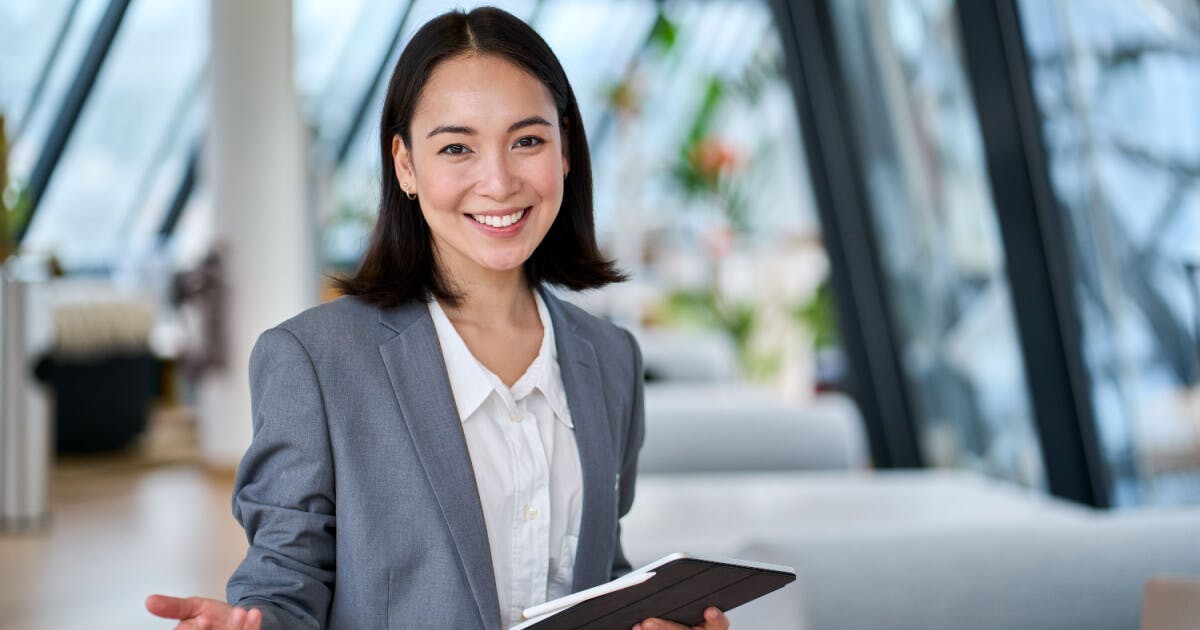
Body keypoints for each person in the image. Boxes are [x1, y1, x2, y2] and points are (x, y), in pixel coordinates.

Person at [145, 7, 730, 630]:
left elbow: (592, 573)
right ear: (404, 165)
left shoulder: (610, 357)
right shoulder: (314, 361)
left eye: (527, 140)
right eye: (457, 147)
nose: (499, 181)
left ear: (565, 150)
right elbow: (286, 586)